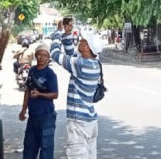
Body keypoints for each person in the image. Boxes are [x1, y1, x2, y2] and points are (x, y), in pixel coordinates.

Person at [50, 21, 102, 159]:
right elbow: (71, 53)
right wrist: (67, 35)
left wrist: (58, 33)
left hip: (78, 123)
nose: (80, 41)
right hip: (89, 122)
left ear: (87, 48)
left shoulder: (80, 64)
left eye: (83, 41)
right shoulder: (94, 63)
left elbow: (55, 54)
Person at [19, 44, 59, 159]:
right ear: (36, 55)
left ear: (48, 58)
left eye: (45, 55)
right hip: (33, 117)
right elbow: (27, 91)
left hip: (47, 117)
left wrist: (40, 94)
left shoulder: (50, 74)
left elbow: (55, 94)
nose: (42, 57)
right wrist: (23, 110)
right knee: (29, 148)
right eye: (39, 54)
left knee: (46, 149)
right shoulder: (32, 71)